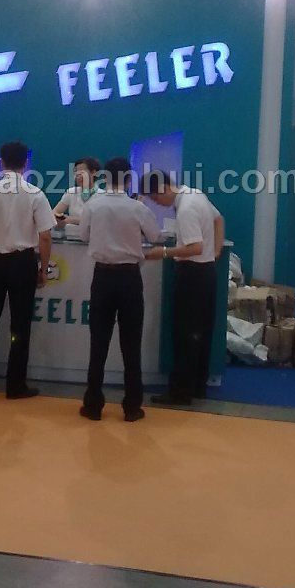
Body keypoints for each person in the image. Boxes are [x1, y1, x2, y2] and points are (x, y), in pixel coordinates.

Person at [0, 141, 54, 400]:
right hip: (23, 264)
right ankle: (15, 385)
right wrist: (43, 269)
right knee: (20, 325)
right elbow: (45, 236)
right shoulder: (35, 193)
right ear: (25, 163)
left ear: (1, 162)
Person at [76, 158, 160, 422]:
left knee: (98, 343)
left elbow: (83, 236)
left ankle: (93, 405)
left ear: (104, 177)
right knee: (131, 344)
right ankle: (132, 406)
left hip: (102, 277)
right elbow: (155, 237)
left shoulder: (93, 205)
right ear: (128, 179)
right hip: (129, 279)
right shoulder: (138, 208)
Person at [141, 171, 224, 405]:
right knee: (201, 332)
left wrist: (163, 252)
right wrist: (215, 252)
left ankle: (180, 391)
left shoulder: (186, 208)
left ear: (164, 188)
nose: (157, 203)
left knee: (185, 333)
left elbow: (195, 247)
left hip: (191, 274)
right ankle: (197, 385)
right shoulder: (196, 194)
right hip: (206, 272)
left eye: (155, 198)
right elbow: (219, 219)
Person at [53, 157, 101, 238]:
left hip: (94, 240)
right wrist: (60, 220)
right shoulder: (71, 192)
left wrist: (72, 220)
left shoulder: (103, 196)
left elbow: (99, 221)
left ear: (93, 172)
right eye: (76, 173)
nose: (78, 176)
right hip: (71, 239)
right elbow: (55, 213)